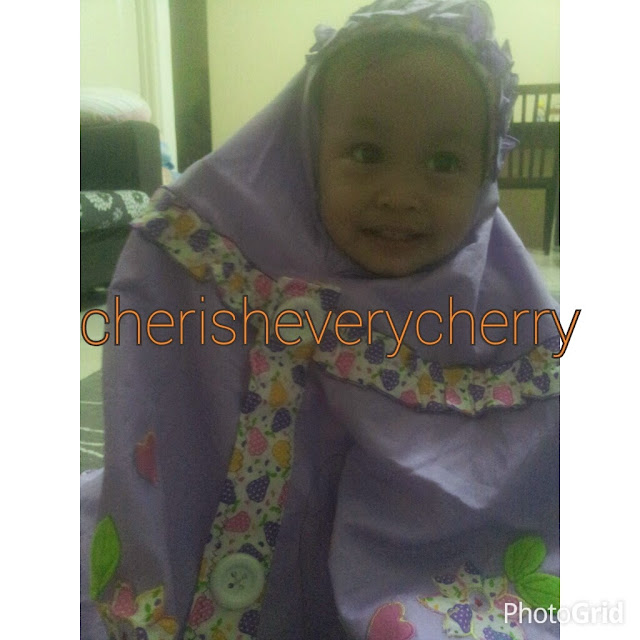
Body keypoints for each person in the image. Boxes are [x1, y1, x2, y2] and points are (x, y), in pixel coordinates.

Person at [80, 1, 560, 638]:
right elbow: (170, 390)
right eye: (365, 152)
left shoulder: (497, 312)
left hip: (416, 571)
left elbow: (520, 467)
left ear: (485, 174)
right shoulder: (240, 269)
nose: (400, 195)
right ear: (305, 151)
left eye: (444, 163)